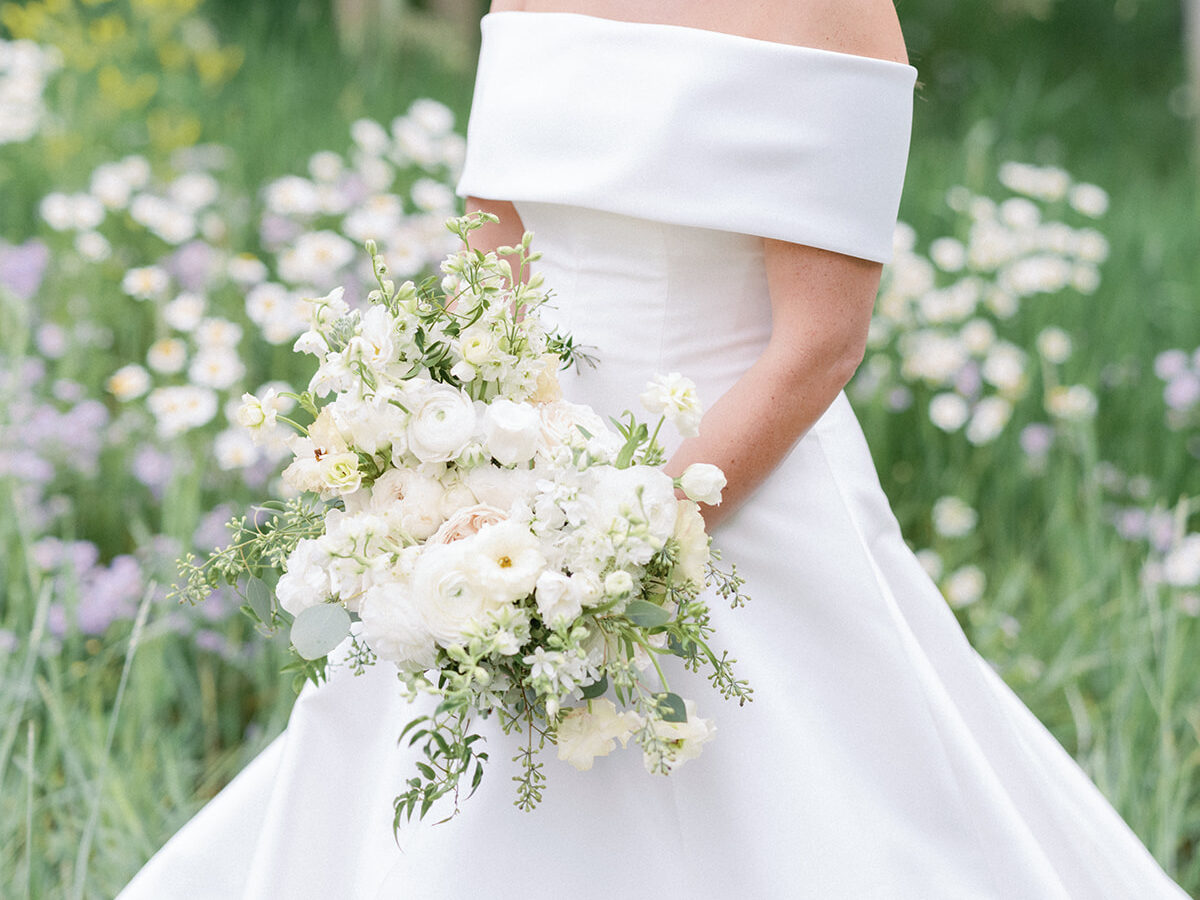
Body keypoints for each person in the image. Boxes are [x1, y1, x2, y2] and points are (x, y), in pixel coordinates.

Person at [121, 2, 1190, 897]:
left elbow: (820, 342)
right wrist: (446, 478)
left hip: (740, 481)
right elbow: (491, 269)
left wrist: (622, 545)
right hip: (506, 487)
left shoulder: (832, 7)